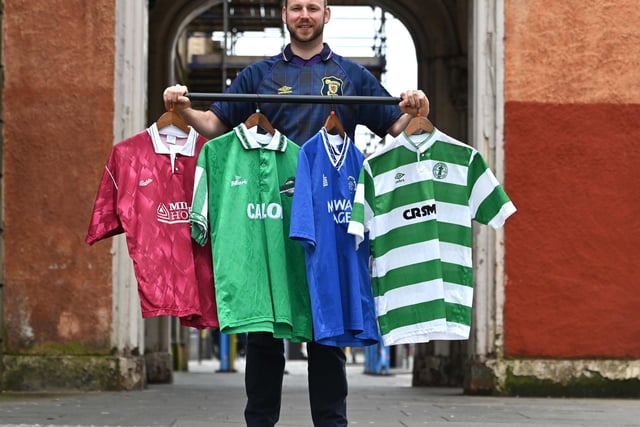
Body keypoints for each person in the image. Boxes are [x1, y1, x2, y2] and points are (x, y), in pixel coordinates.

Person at [163, 1, 429, 425]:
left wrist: (415, 105)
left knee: (326, 331)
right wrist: (180, 106)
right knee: (266, 332)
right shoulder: (258, 75)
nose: (304, 15)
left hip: (329, 221)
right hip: (269, 215)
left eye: (312, 7)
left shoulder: (350, 74)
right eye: (296, 8)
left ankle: (331, 422)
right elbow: (214, 124)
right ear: (284, 15)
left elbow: (396, 127)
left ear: (326, 14)